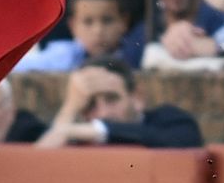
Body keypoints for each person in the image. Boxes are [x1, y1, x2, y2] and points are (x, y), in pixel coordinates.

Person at [35, 57, 203, 147]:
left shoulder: (171, 119)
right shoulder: (75, 134)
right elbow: (36, 168)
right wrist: (70, 108)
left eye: (111, 99)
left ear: (137, 97)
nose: (103, 113)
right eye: (90, 104)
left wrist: (98, 130)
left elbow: (181, 142)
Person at [15, 0, 140, 71]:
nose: (98, 30)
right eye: (88, 22)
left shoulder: (137, 54)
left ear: (124, 21)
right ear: (72, 25)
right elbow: (17, 67)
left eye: (107, 20)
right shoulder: (63, 55)